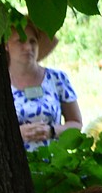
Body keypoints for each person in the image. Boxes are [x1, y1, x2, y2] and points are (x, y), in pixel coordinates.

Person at [8, 20, 83, 149]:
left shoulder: (57, 78)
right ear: (6, 45)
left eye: (33, 41)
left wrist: (52, 131)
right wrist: (17, 133)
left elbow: (76, 123)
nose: (28, 47)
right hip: (11, 165)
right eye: (21, 40)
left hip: (52, 163)